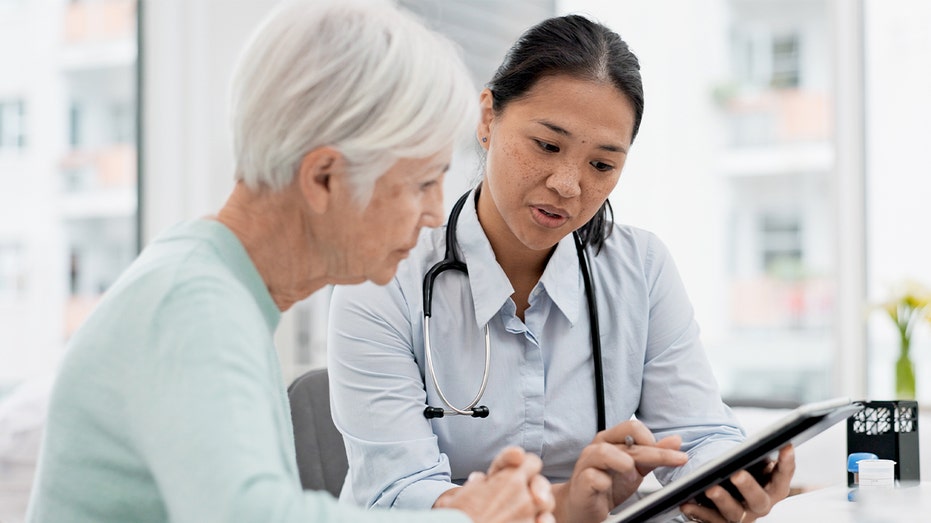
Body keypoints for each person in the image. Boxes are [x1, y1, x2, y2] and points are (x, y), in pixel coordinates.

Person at [25, 2, 555, 522]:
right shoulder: (192, 305)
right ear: (324, 178)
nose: (435, 214)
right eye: (420, 184)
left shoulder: (209, 287)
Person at [327, 13, 796, 523]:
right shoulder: (384, 275)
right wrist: (563, 504)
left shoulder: (640, 269)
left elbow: (701, 436)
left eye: (602, 165)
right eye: (547, 146)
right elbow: (398, 492)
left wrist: (729, 479)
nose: (568, 185)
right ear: (487, 119)